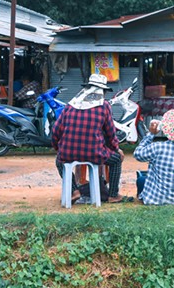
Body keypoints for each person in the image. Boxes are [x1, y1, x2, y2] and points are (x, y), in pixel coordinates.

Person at [52, 73, 125, 203]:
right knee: (116, 160)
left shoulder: (70, 105)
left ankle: (74, 191)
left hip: (68, 152)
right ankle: (113, 195)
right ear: (102, 91)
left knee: (59, 162)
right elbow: (110, 133)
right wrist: (116, 149)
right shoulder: (104, 106)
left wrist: (59, 149)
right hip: (94, 153)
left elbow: (56, 130)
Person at [134, 108, 174, 205]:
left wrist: (150, 134)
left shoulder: (158, 147)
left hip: (156, 199)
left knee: (141, 180)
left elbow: (137, 154)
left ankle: (143, 196)